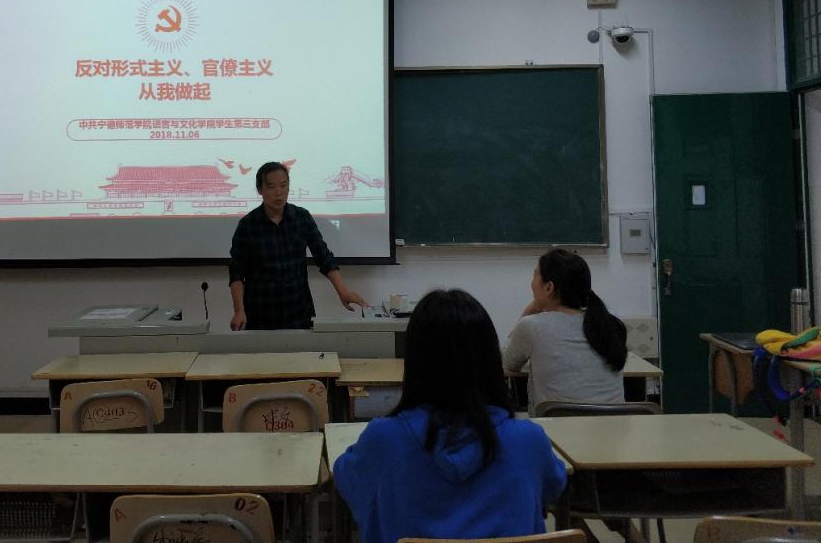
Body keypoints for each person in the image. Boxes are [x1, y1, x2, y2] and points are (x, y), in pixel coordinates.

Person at [333, 289, 567, 543]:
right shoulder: (528, 442)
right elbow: (552, 487)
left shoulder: (384, 440)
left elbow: (348, 482)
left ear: (414, 360)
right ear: (490, 359)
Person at [228, 161, 367, 330]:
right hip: (260, 313)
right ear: (260, 190)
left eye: (283, 185)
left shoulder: (302, 217)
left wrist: (343, 292)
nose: (278, 192)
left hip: (298, 311)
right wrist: (239, 311)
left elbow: (323, 257)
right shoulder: (247, 225)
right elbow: (237, 273)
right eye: (271, 187)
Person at [502, 248, 627, 414]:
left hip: (555, 428)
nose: (531, 283)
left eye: (535, 275)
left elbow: (507, 364)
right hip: (614, 425)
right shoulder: (608, 323)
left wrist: (528, 312)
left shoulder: (532, 326)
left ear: (548, 287)